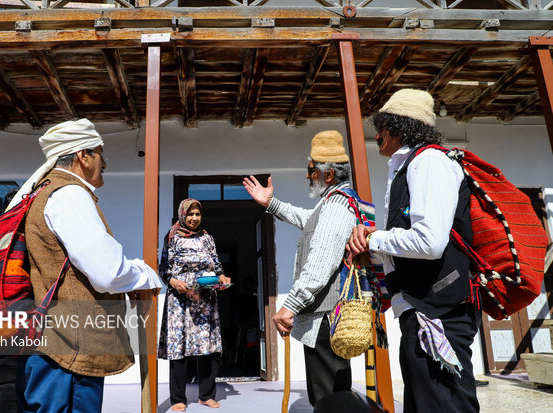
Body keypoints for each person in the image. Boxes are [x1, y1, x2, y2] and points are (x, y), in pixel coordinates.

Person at [6, 118, 162, 412]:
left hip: (50, 346)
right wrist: (144, 275)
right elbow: (107, 272)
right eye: (100, 153)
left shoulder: (44, 192)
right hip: (69, 352)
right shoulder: (69, 195)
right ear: (83, 155)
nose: (105, 162)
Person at [347, 89, 481, 413]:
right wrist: (370, 247)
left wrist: (375, 239)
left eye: (383, 126)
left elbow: (429, 243)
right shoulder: (408, 168)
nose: (377, 136)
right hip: (420, 311)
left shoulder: (429, 162)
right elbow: (414, 243)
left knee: (443, 406)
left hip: (439, 312)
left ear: (400, 126)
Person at [243, 130, 358, 407]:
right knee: (335, 396)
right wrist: (270, 203)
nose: (308, 176)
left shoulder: (337, 205)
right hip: (327, 319)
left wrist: (289, 306)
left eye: (311, 170)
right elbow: (306, 218)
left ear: (328, 174)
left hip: (326, 321)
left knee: (329, 400)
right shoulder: (331, 203)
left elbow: (320, 264)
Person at [157, 198, 231, 412]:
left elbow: (217, 266)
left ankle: (206, 395)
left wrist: (222, 278)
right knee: (179, 348)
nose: (194, 218)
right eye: (190, 214)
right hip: (179, 301)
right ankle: (178, 398)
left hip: (205, 300)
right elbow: (164, 269)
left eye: (198, 214)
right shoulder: (172, 238)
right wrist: (173, 282)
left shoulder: (207, 238)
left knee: (206, 347)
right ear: (182, 215)